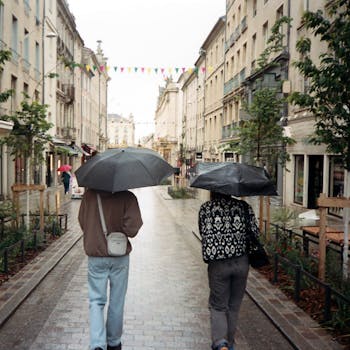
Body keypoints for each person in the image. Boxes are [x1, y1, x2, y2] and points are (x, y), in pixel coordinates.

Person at [78, 188, 143, 350]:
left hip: (96, 254)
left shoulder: (90, 195)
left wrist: (96, 232)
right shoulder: (128, 197)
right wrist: (119, 227)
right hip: (119, 256)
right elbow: (132, 229)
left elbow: (82, 221)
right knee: (117, 301)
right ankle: (114, 343)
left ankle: (97, 344)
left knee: (96, 300)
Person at [198, 191, 260, 350]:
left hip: (218, 264)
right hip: (241, 263)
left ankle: (220, 344)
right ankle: (229, 344)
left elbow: (203, 233)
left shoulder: (206, 209)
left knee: (218, 306)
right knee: (233, 306)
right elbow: (255, 233)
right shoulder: (244, 207)